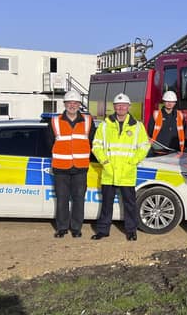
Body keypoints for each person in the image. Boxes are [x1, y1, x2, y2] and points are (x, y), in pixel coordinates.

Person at [91, 93, 151, 241]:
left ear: (129, 107)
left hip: (127, 172)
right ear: (114, 107)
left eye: (124, 105)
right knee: (106, 204)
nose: (121, 108)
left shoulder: (137, 126)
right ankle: (103, 230)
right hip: (109, 172)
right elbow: (96, 146)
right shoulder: (105, 125)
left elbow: (144, 146)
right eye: (118, 105)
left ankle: (131, 231)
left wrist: (134, 161)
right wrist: (104, 162)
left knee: (130, 205)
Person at [49, 90, 96, 238]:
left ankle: (76, 228)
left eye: (75, 103)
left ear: (79, 105)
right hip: (61, 168)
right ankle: (62, 228)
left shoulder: (88, 120)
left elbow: (93, 141)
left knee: (79, 199)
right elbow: (48, 142)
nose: (72, 105)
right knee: (62, 199)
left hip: (81, 167)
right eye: (69, 102)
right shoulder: (55, 121)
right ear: (64, 104)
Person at [147, 90, 187, 155]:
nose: (169, 103)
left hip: (176, 151)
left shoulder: (180, 115)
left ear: (175, 103)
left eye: (172, 102)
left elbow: (184, 133)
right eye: (167, 101)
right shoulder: (156, 114)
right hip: (158, 152)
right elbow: (150, 132)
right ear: (163, 101)